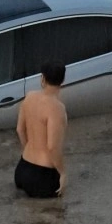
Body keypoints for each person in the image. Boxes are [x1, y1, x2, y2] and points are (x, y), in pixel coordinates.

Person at [15, 61, 67, 198]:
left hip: (22, 169)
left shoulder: (29, 97)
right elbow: (52, 147)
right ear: (62, 81)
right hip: (42, 178)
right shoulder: (57, 108)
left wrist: (30, 150)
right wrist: (63, 173)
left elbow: (19, 129)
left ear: (42, 78)